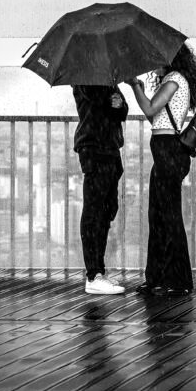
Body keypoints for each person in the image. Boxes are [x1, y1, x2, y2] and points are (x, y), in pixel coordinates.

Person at [126, 44, 196, 296]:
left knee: (168, 216)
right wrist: (140, 90)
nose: (154, 64)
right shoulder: (174, 80)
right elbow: (156, 118)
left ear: (170, 60)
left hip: (168, 153)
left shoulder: (174, 79)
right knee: (159, 215)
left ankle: (178, 279)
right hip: (164, 152)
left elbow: (150, 109)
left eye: (158, 58)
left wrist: (135, 87)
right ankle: (158, 277)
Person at [72, 84, 129, 294]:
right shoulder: (84, 77)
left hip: (110, 149)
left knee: (106, 211)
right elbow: (96, 103)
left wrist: (120, 104)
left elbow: (122, 112)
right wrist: (111, 101)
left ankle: (98, 272)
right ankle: (93, 274)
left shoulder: (108, 79)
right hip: (94, 149)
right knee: (94, 211)